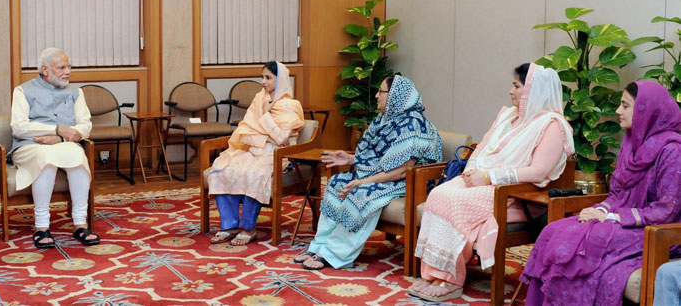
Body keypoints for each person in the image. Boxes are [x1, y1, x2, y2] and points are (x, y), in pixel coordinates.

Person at [409, 63, 575, 302]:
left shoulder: (552, 125)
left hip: (512, 195)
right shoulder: (509, 116)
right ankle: (435, 273)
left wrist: (489, 177)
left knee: (454, 202)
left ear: (533, 90)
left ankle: (450, 279)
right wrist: (473, 169)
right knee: (438, 194)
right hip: (483, 183)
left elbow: (538, 172)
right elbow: (483, 146)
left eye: (516, 86)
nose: (510, 91)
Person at [520, 81, 681, 306]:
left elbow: (667, 210)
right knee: (553, 230)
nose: (617, 111)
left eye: (625, 105)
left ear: (646, 110)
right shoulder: (631, 144)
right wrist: (599, 209)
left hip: (658, 232)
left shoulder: (672, 151)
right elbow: (617, 194)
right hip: (624, 224)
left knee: (588, 240)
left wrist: (612, 218)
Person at [294, 75, 442, 270]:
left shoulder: (413, 124)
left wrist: (362, 182)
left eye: (381, 91)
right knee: (337, 183)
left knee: (360, 193)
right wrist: (350, 159)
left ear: (396, 95)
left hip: (410, 181)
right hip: (384, 176)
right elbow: (375, 156)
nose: (376, 95)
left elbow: (400, 171)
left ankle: (334, 254)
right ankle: (320, 245)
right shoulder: (384, 119)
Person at [206, 61, 304, 246]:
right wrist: (263, 138)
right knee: (221, 170)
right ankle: (229, 226)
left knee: (255, 175)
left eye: (268, 77)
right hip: (252, 151)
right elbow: (245, 132)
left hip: (276, 155)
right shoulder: (259, 100)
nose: (263, 81)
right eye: (262, 77)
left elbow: (282, 140)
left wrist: (266, 117)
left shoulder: (290, 105)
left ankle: (248, 228)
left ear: (280, 79)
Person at [10, 47, 98, 249]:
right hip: (31, 145)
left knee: (78, 156)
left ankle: (80, 224)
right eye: (62, 67)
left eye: (69, 67)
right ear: (45, 70)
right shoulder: (23, 91)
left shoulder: (76, 93)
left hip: (63, 143)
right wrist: (57, 128)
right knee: (46, 161)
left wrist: (60, 137)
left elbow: (85, 125)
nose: (68, 71)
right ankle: (41, 227)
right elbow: (19, 127)